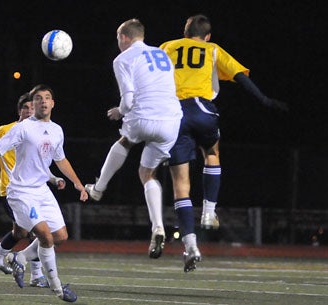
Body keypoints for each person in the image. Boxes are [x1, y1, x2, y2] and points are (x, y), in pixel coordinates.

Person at [159, 14, 288, 272]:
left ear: (184, 33)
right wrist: (264, 100)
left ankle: (191, 245)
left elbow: (152, 77)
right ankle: (209, 210)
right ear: (207, 36)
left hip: (173, 115)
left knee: (180, 186)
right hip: (202, 110)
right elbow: (240, 76)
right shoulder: (212, 49)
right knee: (212, 152)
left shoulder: (167, 47)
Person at [0, 84, 88, 303]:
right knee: (43, 235)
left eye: (47, 98)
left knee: (60, 236)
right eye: (38, 99)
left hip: (42, 190)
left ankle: (18, 257)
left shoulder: (56, 130)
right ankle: (57, 288)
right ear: (33, 105)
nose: (43, 101)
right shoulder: (21, 128)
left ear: (53, 103)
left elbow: (59, 159)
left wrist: (77, 183)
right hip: (20, 192)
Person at [84, 19, 183, 260]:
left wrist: (119, 111)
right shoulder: (161, 54)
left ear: (125, 38)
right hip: (171, 120)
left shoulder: (123, 58)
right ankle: (157, 226)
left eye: (119, 38)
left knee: (124, 142)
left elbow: (128, 101)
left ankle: (98, 189)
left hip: (144, 116)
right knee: (147, 174)